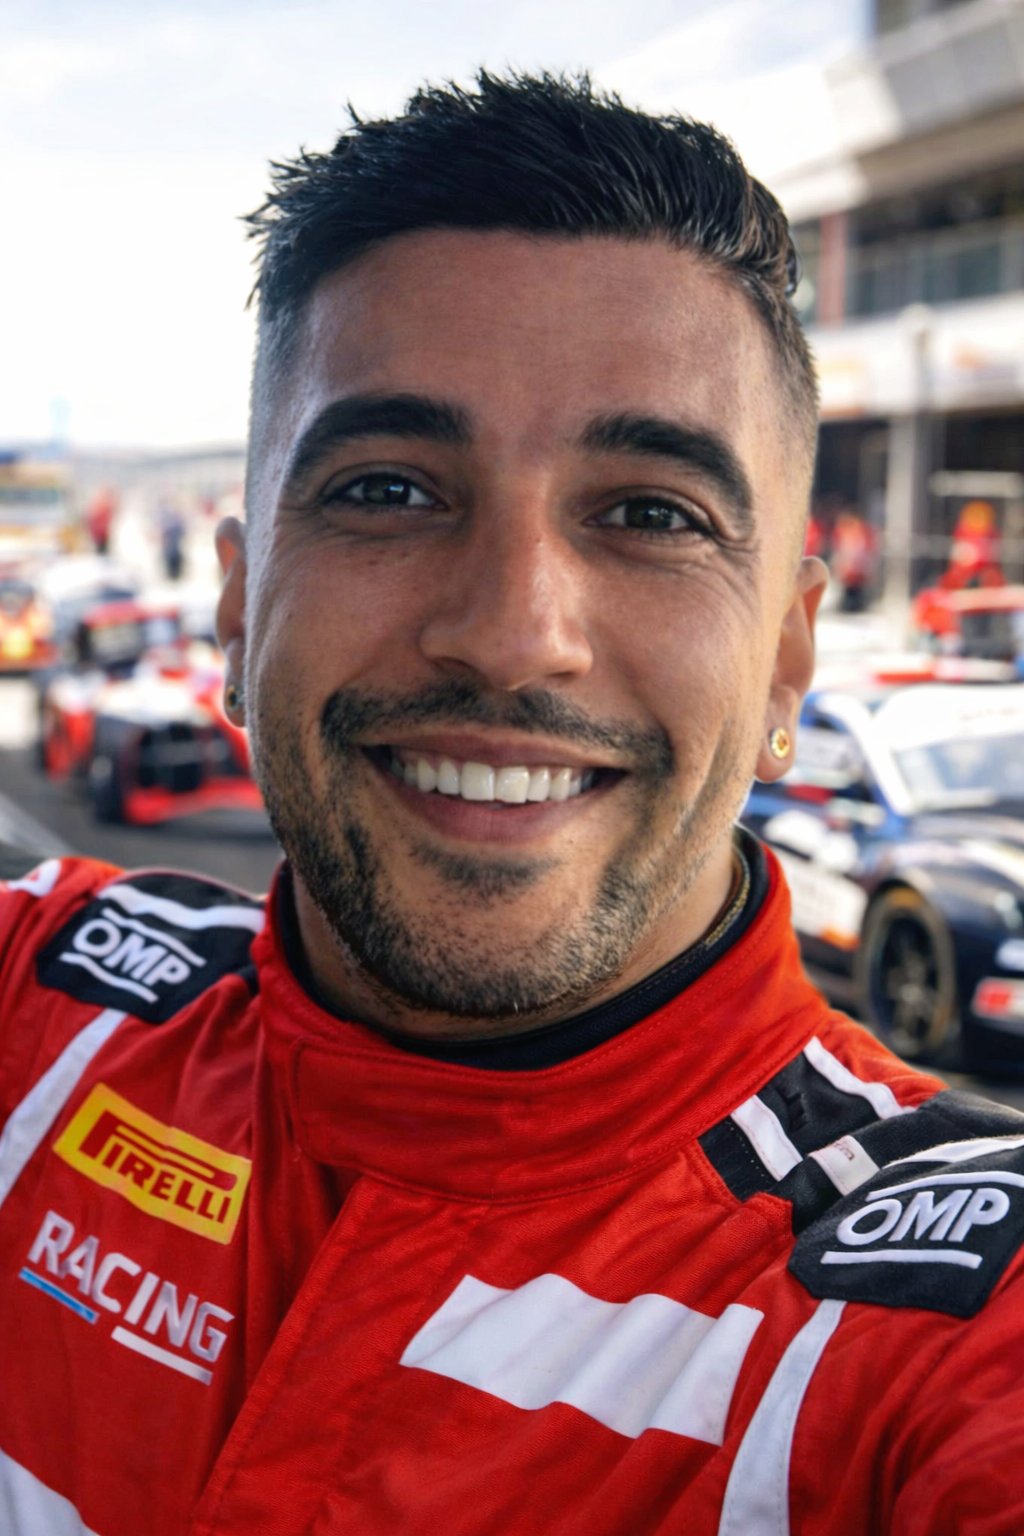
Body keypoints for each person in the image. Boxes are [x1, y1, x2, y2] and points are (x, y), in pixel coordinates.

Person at [1, 72, 1022, 1536]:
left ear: (789, 657)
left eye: (652, 514)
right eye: (388, 490)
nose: (510, 633)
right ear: (236, 604)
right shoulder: (37, 1004)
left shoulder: (948, 1309)